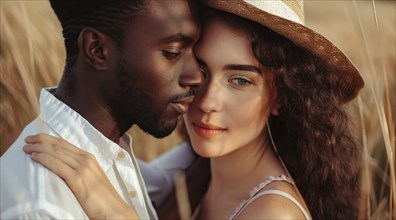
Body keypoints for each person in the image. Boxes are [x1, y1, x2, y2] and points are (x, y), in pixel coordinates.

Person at [22, 0, 365, 219]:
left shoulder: (273, 213)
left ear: (280, 97)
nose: (207, 101)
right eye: (201, 70)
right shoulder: (198, 166)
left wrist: (115, 212)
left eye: (240, 81)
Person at [0, 0, 203, 219]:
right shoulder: (43, 207)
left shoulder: (108, 153)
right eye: (172, 52)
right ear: (97, 49)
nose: (196, 76)